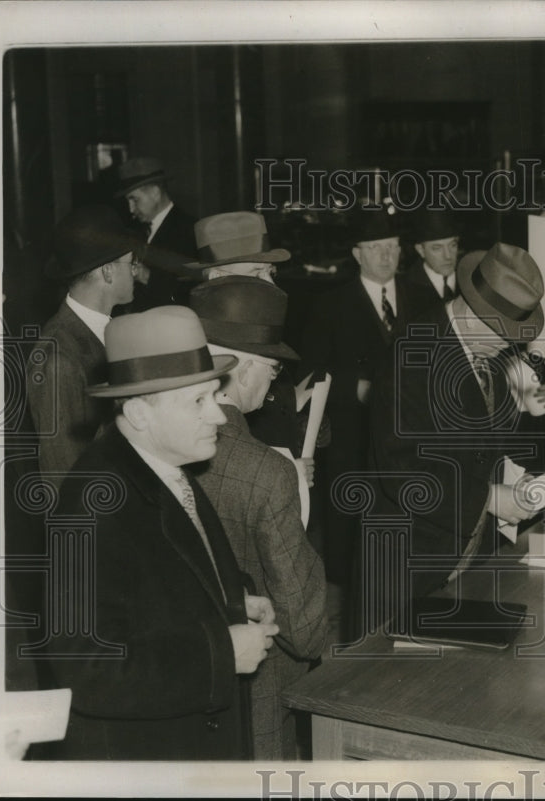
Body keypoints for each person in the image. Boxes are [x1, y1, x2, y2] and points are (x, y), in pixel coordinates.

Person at [45, 305, 279, 760]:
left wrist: (231, 599)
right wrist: (221, 653)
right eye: (198, 402)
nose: (218, 416)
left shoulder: (163, 466)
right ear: (138, 413)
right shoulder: (91, 504)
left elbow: (160, 585)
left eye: (214, 396)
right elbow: (89, 668)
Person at [363, 242, 545, 632]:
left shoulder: (488, 355)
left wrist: (510, 477)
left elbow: (482, 446)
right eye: (504, 334)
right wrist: (491, 498)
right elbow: (404, 471)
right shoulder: (411, 355)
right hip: (411, 561)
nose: (511, 345)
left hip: (469, 553)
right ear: (471, 311)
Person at [189, 276, 328, 760]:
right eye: (271, 370)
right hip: (260, 686)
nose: (272, 386)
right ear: (242, 368)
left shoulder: (154, 443)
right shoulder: (267, 470)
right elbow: (303, 622)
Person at [299, 208, 429, 594]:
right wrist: (352, 389)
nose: (386, 256)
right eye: (375, 248)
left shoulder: (423, 300)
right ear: (357, 254)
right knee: (353, 541)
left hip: (410, 439)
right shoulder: (330, 305)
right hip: (351, 439)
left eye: (392, 247)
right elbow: (309, 374)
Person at [25, 205, 140, 479]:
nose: (136, 272)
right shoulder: (58, 357)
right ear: (108, 272)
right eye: (132, 263)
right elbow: (62, 476)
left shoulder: (115, 331)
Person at [186, 210, 302, 455]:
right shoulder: (192, 350)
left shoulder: (257, 321)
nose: (270, 283)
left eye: (270, 272)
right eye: (256, 273)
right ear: (219, 279)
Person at [114, 156, 198, 309]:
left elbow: (189, 292)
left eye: (134, 199)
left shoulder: (189, 230)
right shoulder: (136, 230)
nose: (131, 210)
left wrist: (145, 276)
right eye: (128, 202)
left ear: (155, 192)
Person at [405, 208, 461, 309]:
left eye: (452, 245)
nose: (448, 256)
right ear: (421, 250)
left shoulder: (470, 278)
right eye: (437, 248)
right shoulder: (405, 288)